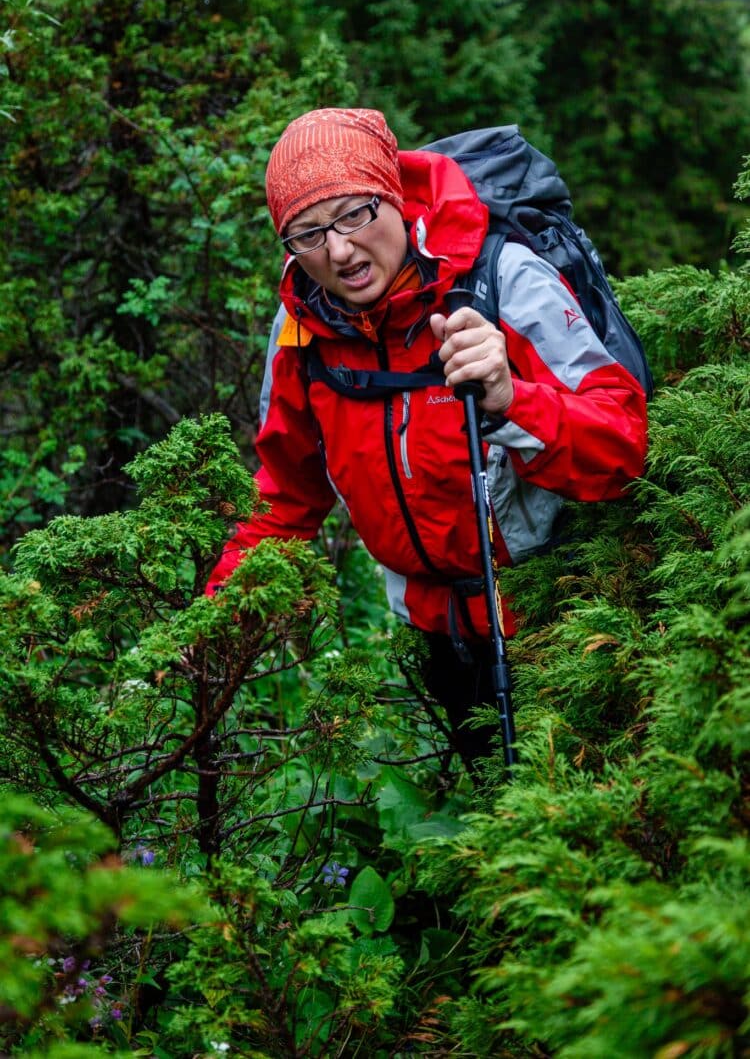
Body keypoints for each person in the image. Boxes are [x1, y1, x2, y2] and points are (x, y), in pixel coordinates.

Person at [206, 107, 648, 769]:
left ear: (395, 194)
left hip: (559, 610)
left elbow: (621, 448)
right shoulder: (301, 329)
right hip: (438, 635)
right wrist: (213, 625)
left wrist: (509, 397)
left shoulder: (503, 280)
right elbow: (287, 500)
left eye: (356, 213)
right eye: (307, 233)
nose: (340, 251)